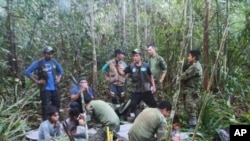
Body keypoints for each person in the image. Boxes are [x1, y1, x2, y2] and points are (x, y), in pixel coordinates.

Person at [116, 48, 157, 120]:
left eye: (136, 55)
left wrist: (153, 86)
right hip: (135, 91)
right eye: (134, 56)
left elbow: (151, 76)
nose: (135, 57)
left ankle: (156, 117)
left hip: (146, 90)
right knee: (133, 105)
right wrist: (117, 67)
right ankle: (133, 117)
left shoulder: (146, 65)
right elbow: (122, 73)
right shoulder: (131, 66)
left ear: (140, 57)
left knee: (153, 104)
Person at [25, 46, 64, 121]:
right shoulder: (39, 63)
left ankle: (57, 122)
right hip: (45, 89)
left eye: (51, 54)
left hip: (54, 88)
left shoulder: (54, 62)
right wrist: (37, 81)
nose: (50, 55)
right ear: (44, 54)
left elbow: (61, 71)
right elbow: (27, 72)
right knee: (45, 106)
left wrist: (58, 78)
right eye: (48, 54)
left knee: (56, 105)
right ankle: (46, 122)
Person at [180, 50, 203, 131]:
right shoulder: (193, 65)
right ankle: (191, 123)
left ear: (194, 57)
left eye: (189, 56)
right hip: (188, 89)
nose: (188, 57)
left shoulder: (195, 66)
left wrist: (179, 75)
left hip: (192, 90)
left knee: (191, 107)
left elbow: (184, 76)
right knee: (187, 106)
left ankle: (193, 126)